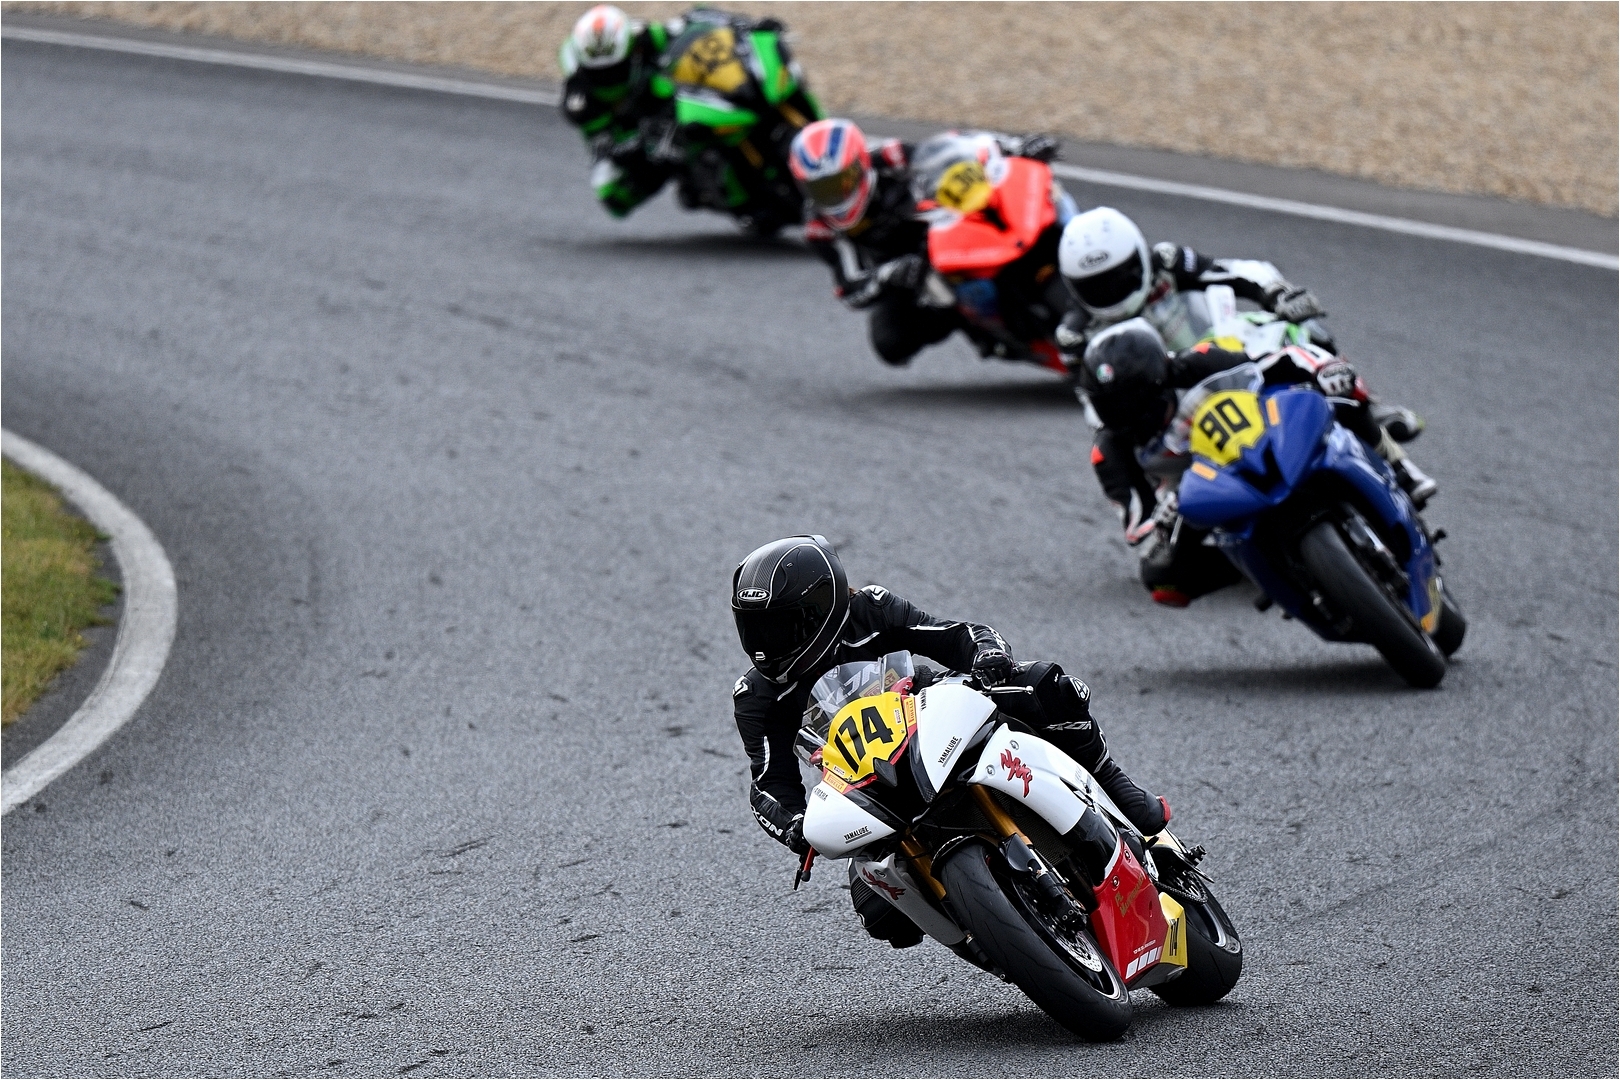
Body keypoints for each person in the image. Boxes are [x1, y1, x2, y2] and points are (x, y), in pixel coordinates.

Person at [730, 535, 1171, 946]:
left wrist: (988, 655)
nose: (764, 644)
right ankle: (996, 938)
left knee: (1043, 686)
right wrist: (794, 825)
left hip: (930, 721)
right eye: (753, 628)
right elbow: (769, 784)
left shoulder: (869, 610)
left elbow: (957, 635)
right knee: (882, 918)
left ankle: (1111, 780)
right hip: (865, 783)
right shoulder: (757, 696)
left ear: (821, 608)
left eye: (779, 626)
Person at [1075, 318, 1437, 607]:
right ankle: (1262, 571)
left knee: (1341, 395)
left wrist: (1321, 368)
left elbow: (1272, 362)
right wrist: (1161, 517)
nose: (1128, 413)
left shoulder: (1197, 361)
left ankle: (1401, 470)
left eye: (1135, 397)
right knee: (1162, 579)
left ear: (1161, 375)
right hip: (1200, 496)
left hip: (1259, 439)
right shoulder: (1109, 451)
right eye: (1112, 406)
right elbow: (1136, 523)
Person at [1055, 205, 1427, 444]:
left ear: (1138, 254)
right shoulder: (1076, 334)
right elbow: (1094, 408)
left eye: (1119, 276)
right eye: (1094, 286)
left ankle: (1364, 406)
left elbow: (1236, 272)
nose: (1110, 291)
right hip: (1165, 400)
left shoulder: (1166, 262)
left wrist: (1277, 294)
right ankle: (1157, 518)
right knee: (1114, 443)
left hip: (1224, 351)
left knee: (1302, 330)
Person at [788, 119, 1061, 366]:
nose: (836, 195)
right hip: (906, 272)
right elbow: (850, 287)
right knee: (890, 343)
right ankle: (978, 326)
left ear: (860, 163)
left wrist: (1014, 146)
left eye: (842, 182)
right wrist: (888, 274)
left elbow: (955, 151)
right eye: (821, 189)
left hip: (945, 228)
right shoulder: (819, 228)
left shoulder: (891, 157)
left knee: (1014, 204)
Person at [558, 5, 682, 217]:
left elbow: (684, 31)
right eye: (598, 73)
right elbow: (605, 143)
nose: (607, 78)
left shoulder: (645, 37)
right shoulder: (579, 100)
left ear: (632, 50)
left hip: (664, 95)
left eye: (615, 70)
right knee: (611, 194)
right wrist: (641, 143)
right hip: (623, 127)